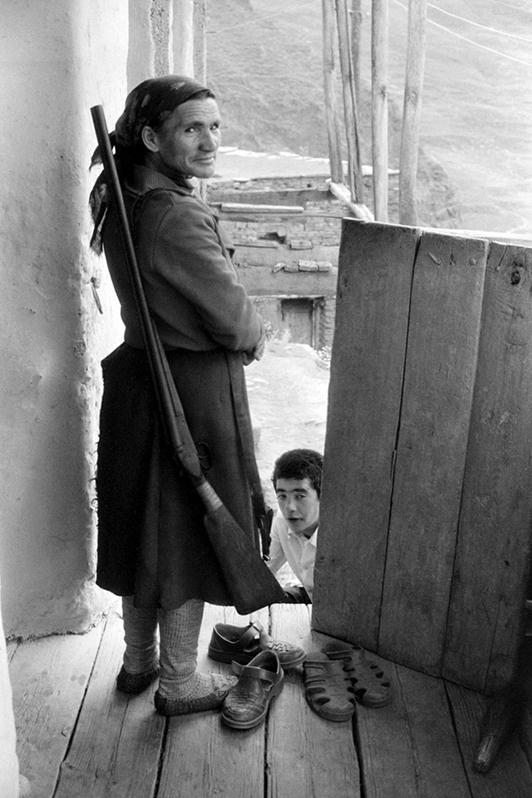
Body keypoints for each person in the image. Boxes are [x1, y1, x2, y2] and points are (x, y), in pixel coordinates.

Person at [89, 75, 272, 717]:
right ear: (150, 137)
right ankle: (178, 681)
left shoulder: (126, 195)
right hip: (188, 393)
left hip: (143, 379)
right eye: (192, 128)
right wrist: (254, 335)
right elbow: (236, 321)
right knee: (191, 536)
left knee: (144, 529)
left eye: (215, 127)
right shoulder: (175, 214)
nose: (209, 141)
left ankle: (138, 664)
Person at [267, 449, 323, 603]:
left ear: (322, 495)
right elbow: (262, 573)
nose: (289, 507)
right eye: (282, 496)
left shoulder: (344, 532)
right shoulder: (281, 521)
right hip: (309, 596)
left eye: (300, 496)